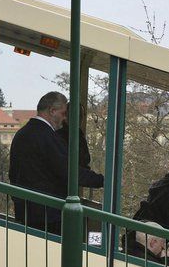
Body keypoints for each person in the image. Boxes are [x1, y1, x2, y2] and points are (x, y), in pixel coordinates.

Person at [8, 91, 104, 234]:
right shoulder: (47, 137)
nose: (65, 118)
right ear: (52, 111)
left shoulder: (22, 133)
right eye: (63, 113)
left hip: (26, 211)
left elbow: (14, 173)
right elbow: (69, 172)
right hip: (48, 215)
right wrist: (103, 180)